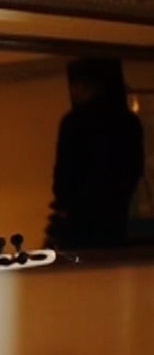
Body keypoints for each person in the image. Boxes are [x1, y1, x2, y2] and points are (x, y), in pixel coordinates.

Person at [46, 56, 145, 250]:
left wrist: (65, 205)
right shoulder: (128, 121)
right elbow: (134, 167)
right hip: (116, 215)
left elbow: (65, 170)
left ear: (84, 86)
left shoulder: (74, 122)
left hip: (78, 220)